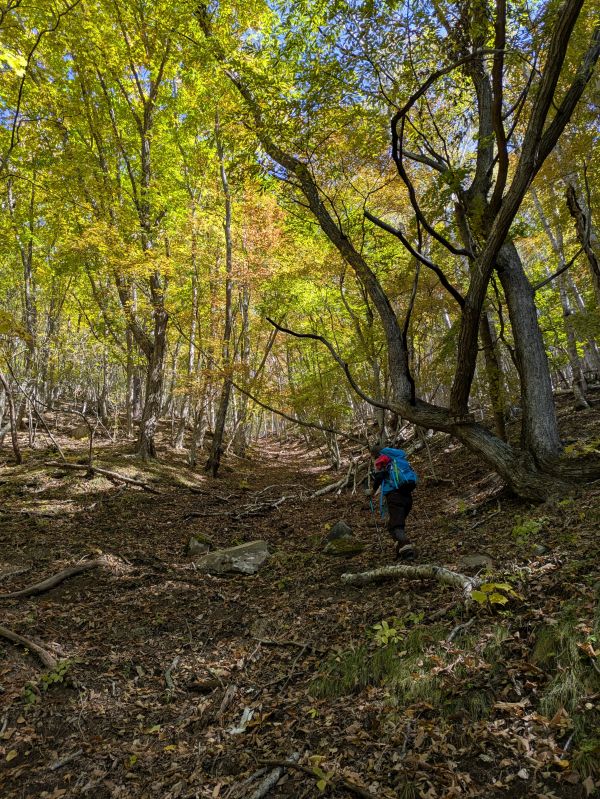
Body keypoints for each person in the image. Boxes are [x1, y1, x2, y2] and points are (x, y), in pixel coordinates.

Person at [366, 446, 417, 559]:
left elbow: (379, 476)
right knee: (391, 526)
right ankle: (400, 550)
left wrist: (372, 491)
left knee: (396, 525)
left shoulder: (382, 460)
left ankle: (408, 551)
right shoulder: (398, 458)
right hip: (407, 496)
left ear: (374, 455)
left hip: (394, 496)